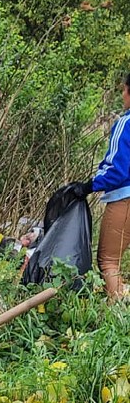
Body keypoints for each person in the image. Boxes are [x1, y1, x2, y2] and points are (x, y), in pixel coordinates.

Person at [78, 72, 130, 299]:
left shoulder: (125, 123)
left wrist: (89, 186)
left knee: (109, 261)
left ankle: (116, 320)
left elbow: (118, 169)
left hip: (125, 199)